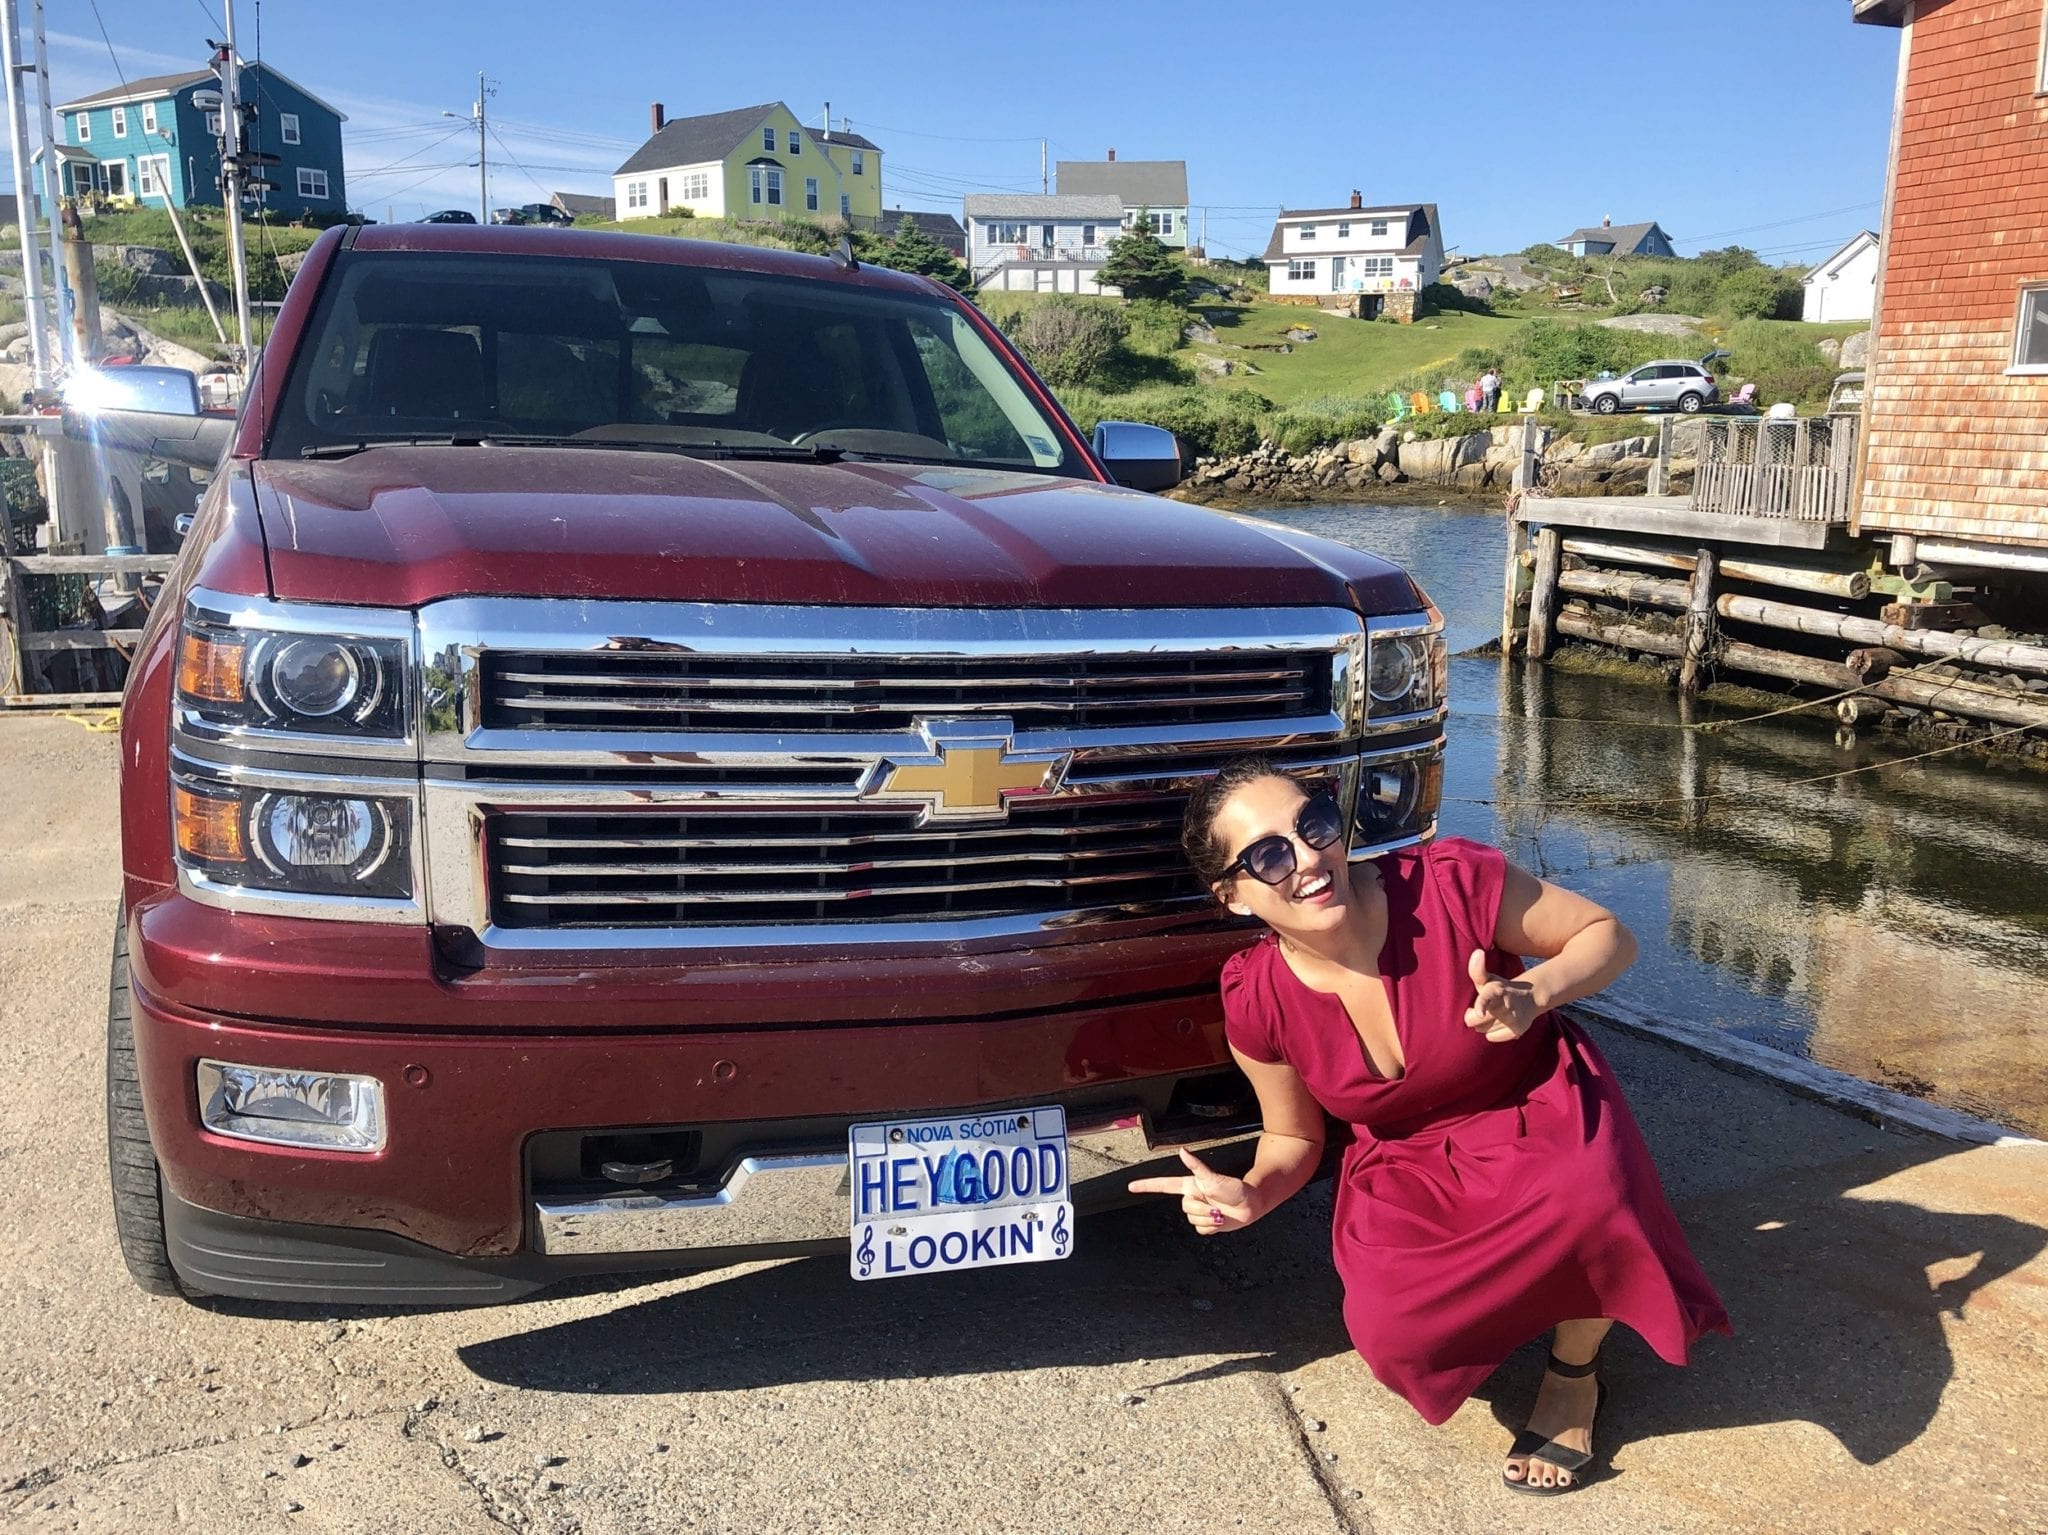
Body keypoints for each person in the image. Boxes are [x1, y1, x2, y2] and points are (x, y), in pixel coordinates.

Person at [1132, 758, 1729, 1495]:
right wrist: (1253, 1191)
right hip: (1405, 1164)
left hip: (1532, 1102)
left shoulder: (1448, 884)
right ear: (1233, 895)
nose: (1309, 858)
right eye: (1269, 854)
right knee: (1390, 1330)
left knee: (1590, 1197)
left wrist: (1533, 991)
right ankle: (1525, 1297)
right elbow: (1295, 1139)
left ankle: (1574, 1370)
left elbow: (1609, 936)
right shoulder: (1256, 998)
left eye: (1313, 824)